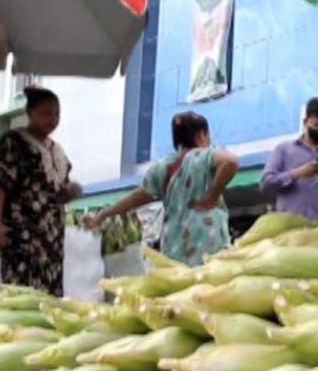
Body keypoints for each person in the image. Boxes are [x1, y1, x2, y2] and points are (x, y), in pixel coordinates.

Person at [88, 111, 238, 266]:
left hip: (174, 253)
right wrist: (213, 195)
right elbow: (230, 161)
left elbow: (134, 198)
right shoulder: (204, 156)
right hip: (207, 249)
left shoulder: (161, 167)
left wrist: (104, 214)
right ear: (201, 135)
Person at [0, 87, 82, 296]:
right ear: (29, 113)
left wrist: (70, 191)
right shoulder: (14, 142)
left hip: (52, 241)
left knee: (48, 298)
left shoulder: (57, 151)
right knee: (21, 296)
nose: (53, 119)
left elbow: (55, 194)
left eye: (57, 113)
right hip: (23, 238)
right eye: (46, 113)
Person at [261, 97, 318, 220]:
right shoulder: (283, 149)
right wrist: (298, 173)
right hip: (289, 229)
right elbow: (266, 185)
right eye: (316, 124)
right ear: (305, 122)